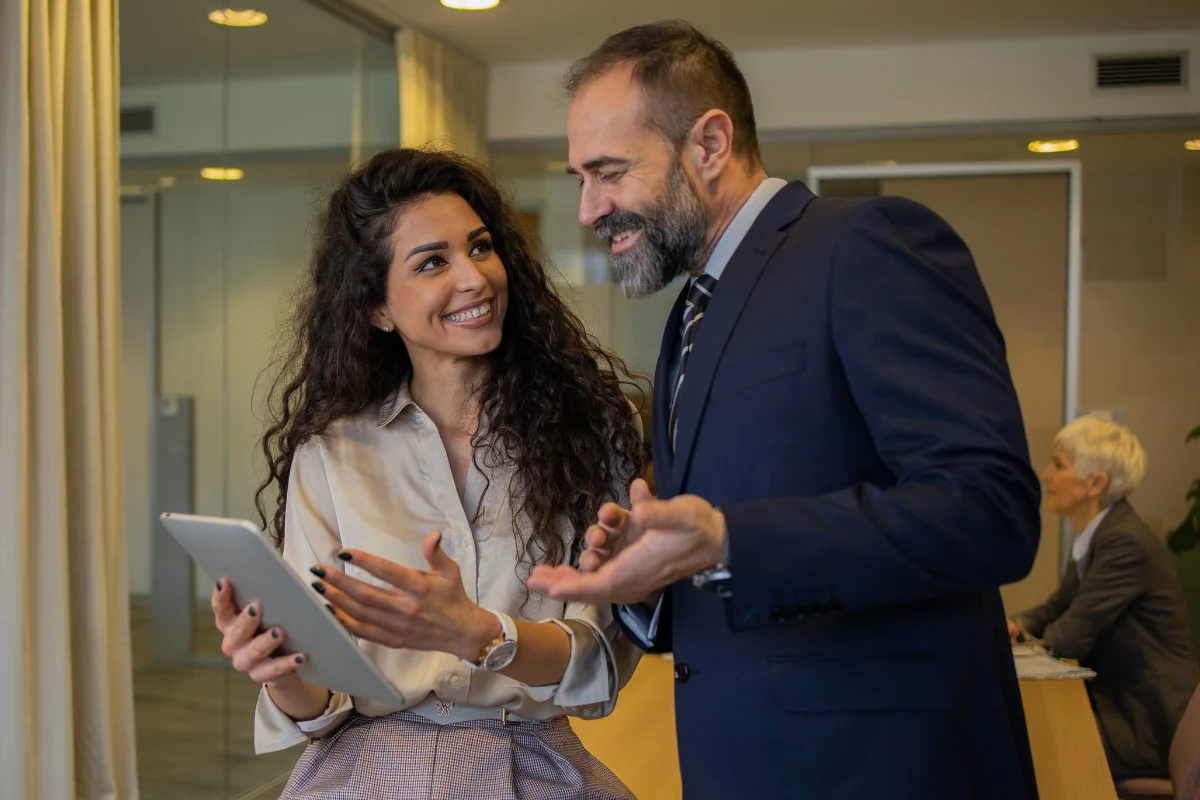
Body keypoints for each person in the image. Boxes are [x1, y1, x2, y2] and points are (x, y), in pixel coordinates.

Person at [527, 21, 1043, 800]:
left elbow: (992, 511)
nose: (588, 210)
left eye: (609, 173)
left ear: (709, 144)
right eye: (579, 179)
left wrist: (729, 541)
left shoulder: (867, 245)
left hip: (883, 770)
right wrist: (648, 580)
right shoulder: (689, 315)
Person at [209, 148, 644, 799]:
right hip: (364, 770)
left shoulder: (593, 434)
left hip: (530, 766)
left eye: (480, 247)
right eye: (433, 262)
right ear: (378, 308)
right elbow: (319, 706)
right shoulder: (331, 454)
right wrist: (277, 668)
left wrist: (480, 635)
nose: (474, 278)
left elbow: (599, 667)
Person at [1010, 416, 1199, 783]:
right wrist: (1014, 625)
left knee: (1035, 748)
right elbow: (1059, 605)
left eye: (1059, 465)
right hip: (1123, 705)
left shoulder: (1123, 542)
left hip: (1148, 723)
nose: (1047, 475)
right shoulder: (1100, 533)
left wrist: (1026, 639)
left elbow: (1069, 636)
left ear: (1096, 483)